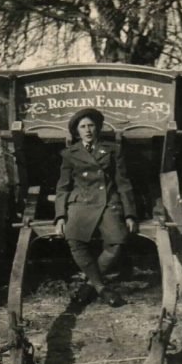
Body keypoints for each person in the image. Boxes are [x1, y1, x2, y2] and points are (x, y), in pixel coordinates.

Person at [54, 108, 137, 307]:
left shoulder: (112, 150)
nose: (88, 130)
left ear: (97, 128)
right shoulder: (69, 154)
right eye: (83, 127)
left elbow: (123, 183)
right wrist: (60, 216)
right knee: (74, 241)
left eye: (91, 125)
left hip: (107, 200)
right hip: (81, 202)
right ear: (77, 132)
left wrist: (130, 214)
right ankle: (101, 287)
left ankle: (89, 286)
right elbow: (62, 187)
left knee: (117, 241)